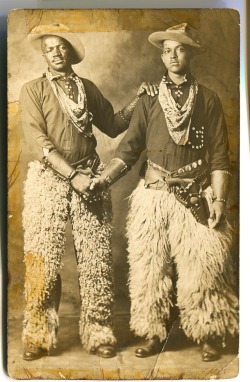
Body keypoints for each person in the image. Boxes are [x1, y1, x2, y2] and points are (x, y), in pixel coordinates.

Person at [90, 23, 239, 362]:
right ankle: (152, 333)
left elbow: (219, 154)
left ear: (191, 54)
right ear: (161, 55)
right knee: (149, 267)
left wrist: (217, 199)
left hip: (196, 193)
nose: (173, 56)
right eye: (167, 50)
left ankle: (208, 332)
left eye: (180, 49)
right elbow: (128, 150)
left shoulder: (209, 99)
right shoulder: (149, 99)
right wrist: (102, 179)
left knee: (203, 266)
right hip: (153, 195)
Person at [19, 23, 158, 361]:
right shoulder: (32, 90)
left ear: (70, 51)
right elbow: (39, 141)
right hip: (48, 179)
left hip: (91, 175)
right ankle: (37, 334)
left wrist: (137, 101)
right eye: (49, 48)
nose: (55, 52)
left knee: (95, 259)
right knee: (43, 259)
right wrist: (70, 177)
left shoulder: (87, 88)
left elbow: (111, 124)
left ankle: (99, 333)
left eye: (61, 46)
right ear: (43, 53)